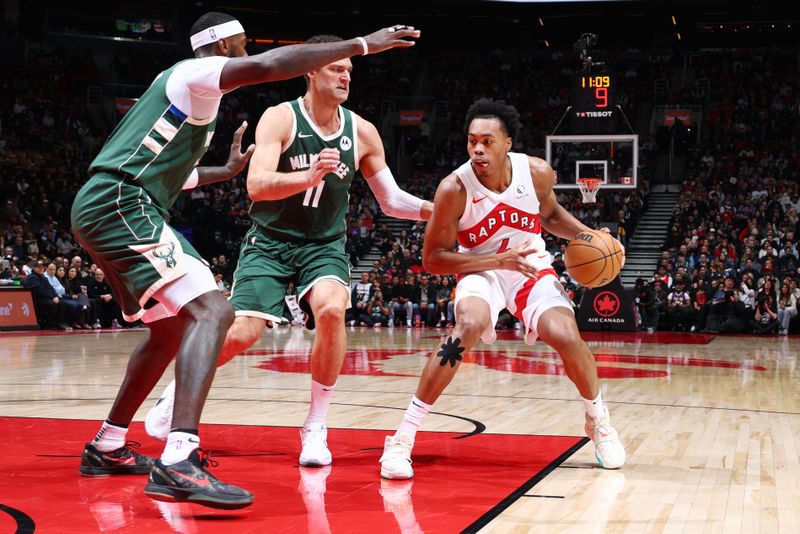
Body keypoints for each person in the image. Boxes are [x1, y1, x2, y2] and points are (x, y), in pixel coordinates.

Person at [70, 12, 421, 509]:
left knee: (169, 330)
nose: (248, 49)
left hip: (119, 204)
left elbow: (176, 178)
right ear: (220, 43)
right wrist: (364, 43)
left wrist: (224, 170)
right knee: (215, 311)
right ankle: (178, 458)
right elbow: (273, 64)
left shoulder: (197, 100)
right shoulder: (193, 73)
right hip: (121, 204)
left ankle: (107, 446)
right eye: (242, 42)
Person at [143, 31, 430, 470]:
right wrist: (307, 177)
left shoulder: (364, 131)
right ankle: (174, 395)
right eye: (336, 67)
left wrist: (440, 212)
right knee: (242, 334)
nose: (345, 76)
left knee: (333, 309)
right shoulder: (280, 118)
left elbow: (391, 201)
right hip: (270, 242)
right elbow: (256, 186)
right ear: (311, 69)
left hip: (323, 244)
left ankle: (316, 425)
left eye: (349, 71)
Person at [378, 99, 625, 480]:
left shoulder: (537, 173)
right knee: (466, 330)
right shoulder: (453, 189)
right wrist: (496, 261)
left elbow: (550, 215)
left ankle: (598, 420)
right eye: (472, 141)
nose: (477, 149)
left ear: (508, 143)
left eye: (487, 141)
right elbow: (433, 259)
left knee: (566, 335)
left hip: (528, 265)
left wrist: (589, 236)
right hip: (480, 268)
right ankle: (403, 438)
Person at [23, 259, 70, 330]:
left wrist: (55, 296)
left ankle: (59, 322)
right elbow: (41, 290)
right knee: (52, 304)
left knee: (62, 303)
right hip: (38, 299)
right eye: (39, 267)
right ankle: (49, 325)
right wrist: (52, 297)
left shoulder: (43, 277)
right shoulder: (32, 277)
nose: (41, 269)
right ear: (34, 268)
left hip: (47, 298)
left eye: (42, 268)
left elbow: (51, 288)